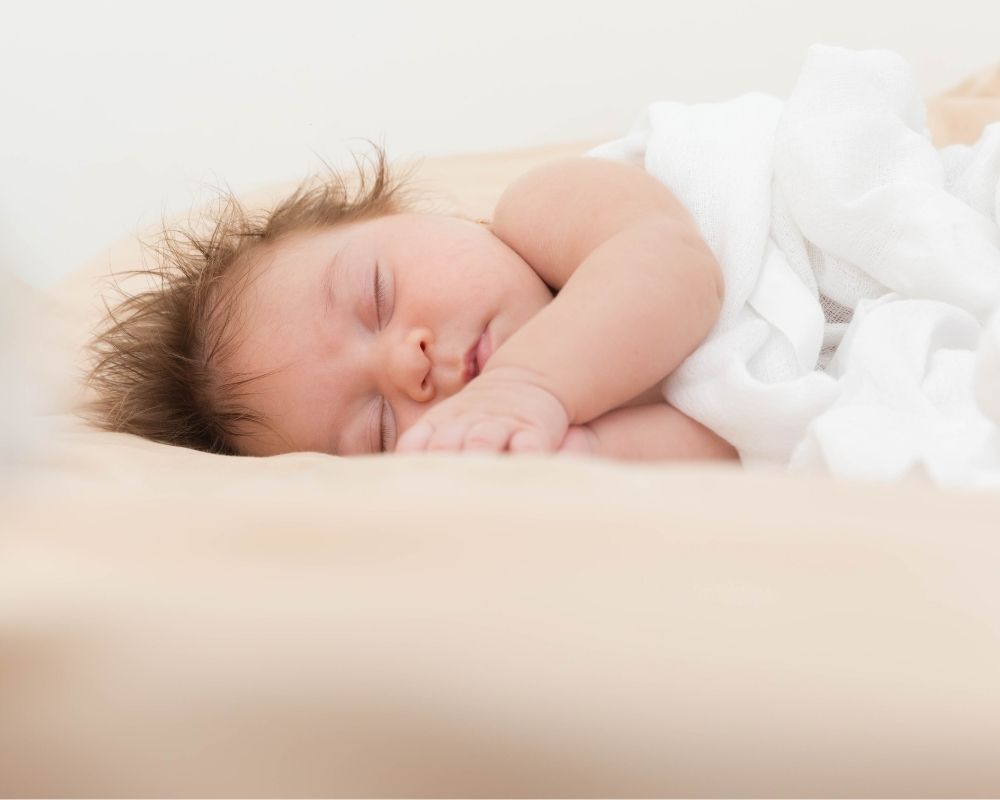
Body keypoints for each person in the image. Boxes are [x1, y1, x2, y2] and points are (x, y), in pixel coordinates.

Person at [88, 146, 737, 461]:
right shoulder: (544, 423)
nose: (410, 364)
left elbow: (675, 267)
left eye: (377, 297)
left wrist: (527, 386)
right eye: (380, 428)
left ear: (421, 215)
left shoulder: (544, 208)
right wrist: (584, 451)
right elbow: (740, 439)